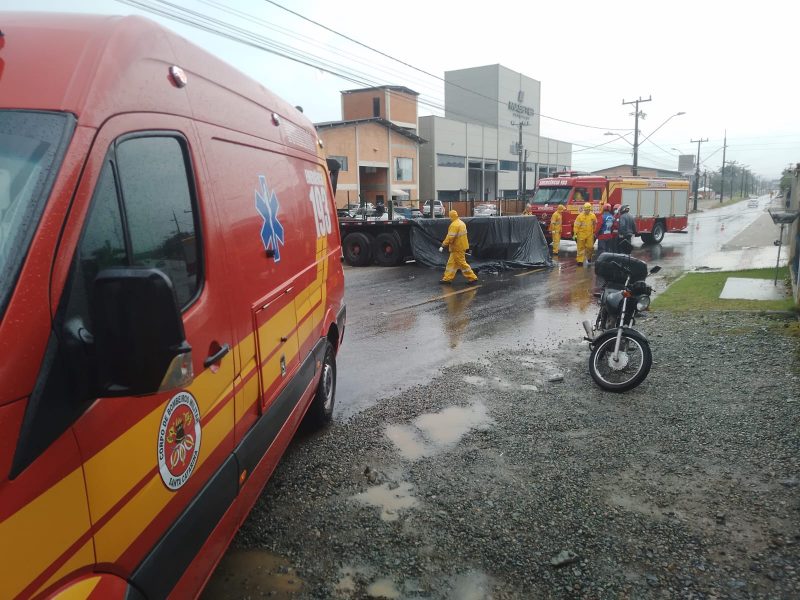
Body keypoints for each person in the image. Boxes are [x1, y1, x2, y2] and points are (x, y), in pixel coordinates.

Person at [439, 209, 478, 284]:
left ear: (451, 216)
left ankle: (472, 277)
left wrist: (443, 245)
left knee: (461, 263)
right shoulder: (461, 223)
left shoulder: (454, 225)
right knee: (451, 264)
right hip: (460, 246)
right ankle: (447, 279)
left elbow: (450, 237)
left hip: (457, 247)